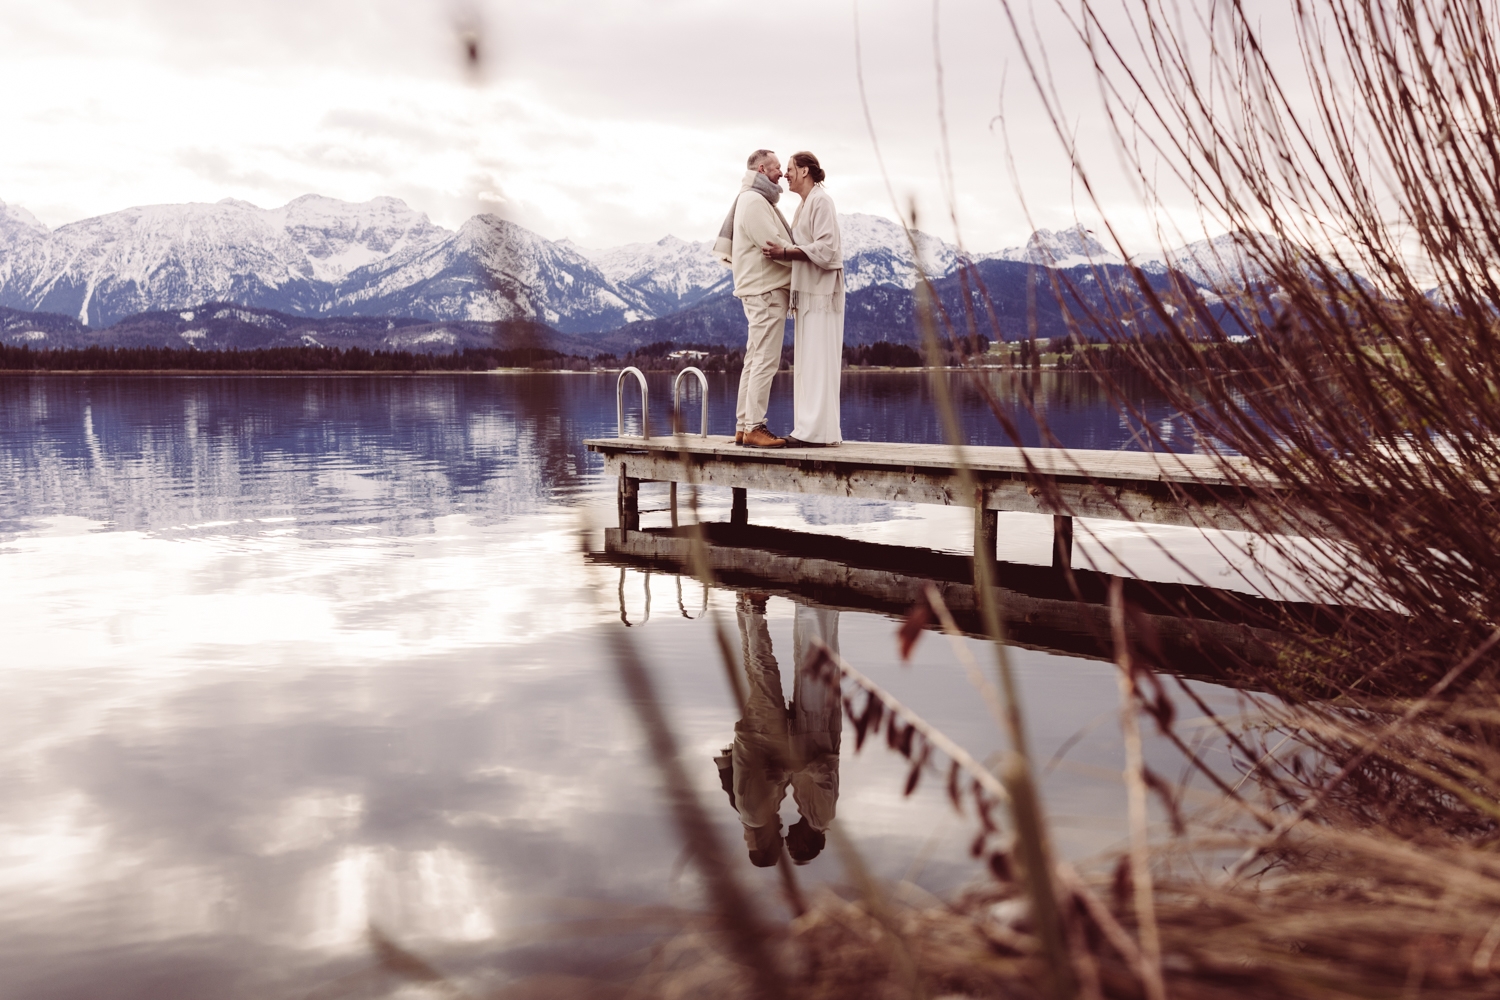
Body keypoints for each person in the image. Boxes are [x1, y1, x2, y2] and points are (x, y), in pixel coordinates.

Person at [714, 595, 841, 867]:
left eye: (781, 843)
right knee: (770, 670)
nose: (786, 837)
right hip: (808, 729)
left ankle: (755, 607)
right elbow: (825, 772)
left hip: (766, 734)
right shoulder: (817, 816)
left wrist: (789, 769)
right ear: (806, 844)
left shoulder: (760, 816)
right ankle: (753, 607)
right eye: (792, 846)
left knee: (765, 671)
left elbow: (769, 774)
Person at [712, 150, 794, 449]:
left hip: (759, 289)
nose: (781, 174)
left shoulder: (750, 199)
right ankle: (755, 427)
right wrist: (808, 259)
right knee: (765, 361)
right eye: (775, 168)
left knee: (754, 359)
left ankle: (743, 427)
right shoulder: (755, 201)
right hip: (766, 290)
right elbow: (773, 245)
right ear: (761, 169)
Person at [762, 151, 843, 447]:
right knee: (810, 362)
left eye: (790, 169)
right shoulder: (805, 205)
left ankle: (817, 434)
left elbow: (828, 248)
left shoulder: (821, 201)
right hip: (809, 294)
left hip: (822, 294)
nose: (785, 174)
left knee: (819, 361)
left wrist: (785, 253)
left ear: (806, 171)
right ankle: (811, 430)